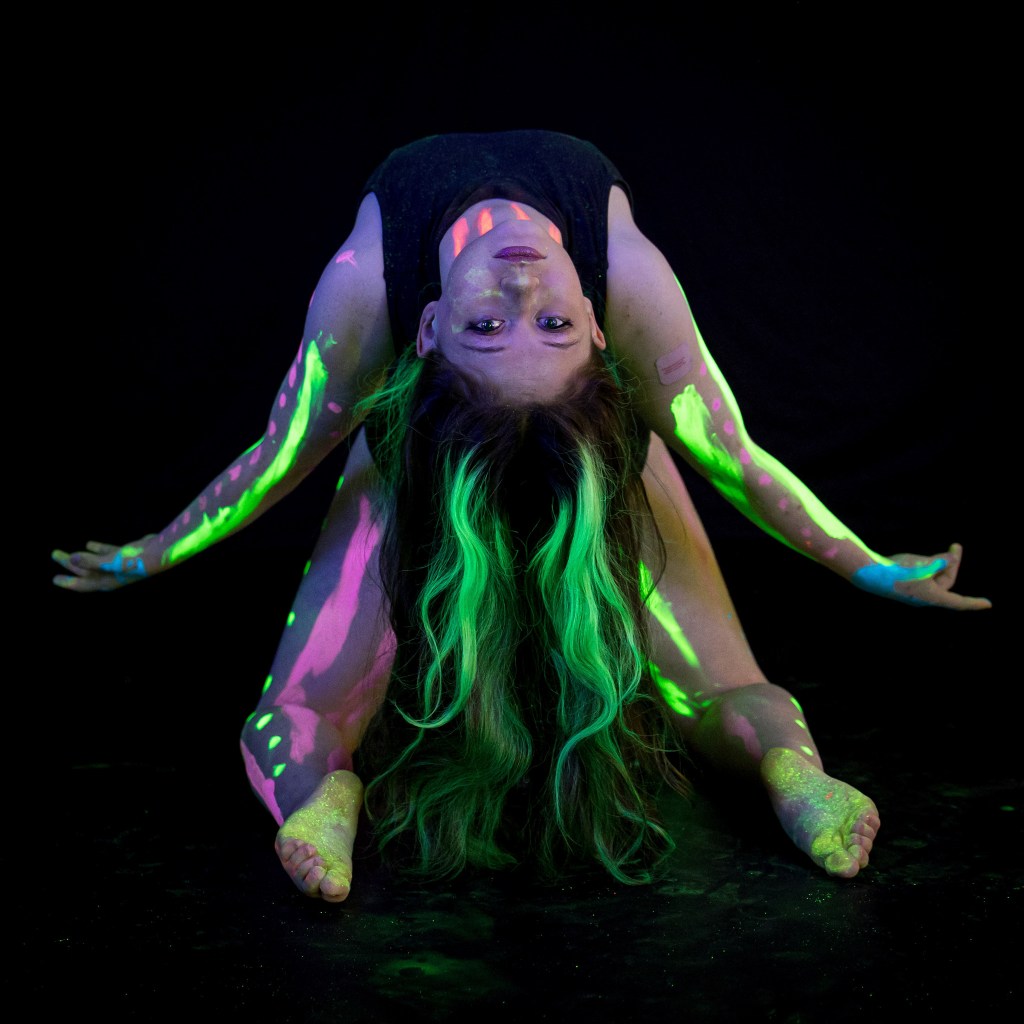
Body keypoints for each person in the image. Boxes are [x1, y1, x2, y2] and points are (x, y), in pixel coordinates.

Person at [51, 130, 991, 903]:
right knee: (316, 670)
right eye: (498, 329)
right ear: (424, 333)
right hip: (430, 457)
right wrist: (155, 552)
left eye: (541, 325)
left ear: (599, 323)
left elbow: (735, 464)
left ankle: (797, 773)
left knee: (691, 643)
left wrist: (867, 564)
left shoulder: (405, 287)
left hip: (586, 453)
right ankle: (320, 792)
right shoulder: (446, 296)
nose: (524, 293)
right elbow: (283, 457)